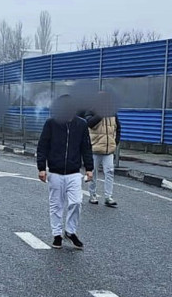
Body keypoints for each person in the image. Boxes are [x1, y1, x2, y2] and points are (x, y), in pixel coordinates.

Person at [37, 94, 94, 250]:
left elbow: (86, 147)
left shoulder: (81, 124)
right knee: (56, 205)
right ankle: (57, 235)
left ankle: (70, 231)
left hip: (74, 172)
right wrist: (41, 168)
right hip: (55, 172)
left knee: (76, 202)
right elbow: (42, 146)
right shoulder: (51, 124)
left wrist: (89, 168)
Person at [86, 109, 121, 207]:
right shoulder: (91, 111)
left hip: (108, 149)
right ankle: (92, 195)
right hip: (95, 148)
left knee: (109, 172)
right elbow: (89, 123)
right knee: (92, 172)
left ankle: (108, 197)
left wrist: (115, 142)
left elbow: (118, 127)